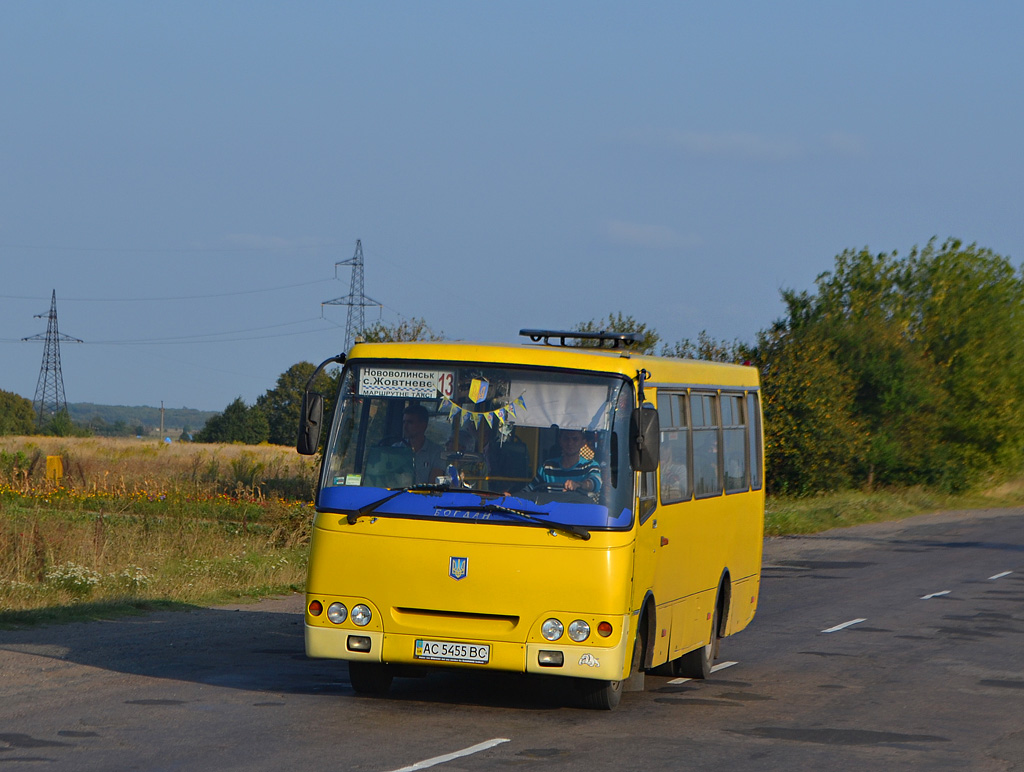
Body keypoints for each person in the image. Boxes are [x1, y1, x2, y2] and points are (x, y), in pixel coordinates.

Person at [528, 429, 602, 494]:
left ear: (583, 442)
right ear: (560, 440)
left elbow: (595, 483)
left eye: (575, 439)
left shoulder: (590, 466)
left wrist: (579, 485)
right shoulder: (548, 467)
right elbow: (530, 489)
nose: (570, 443)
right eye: (566, 438)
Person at [395, 404, 444, 484]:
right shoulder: (395, 449)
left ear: (423, 425)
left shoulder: (437, 452)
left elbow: (434, 485)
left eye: (410, 422)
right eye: (404, 422)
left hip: (423, 496)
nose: (405, 426)